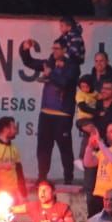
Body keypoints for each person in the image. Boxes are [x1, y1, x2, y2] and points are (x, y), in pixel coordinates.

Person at [19, 38, 80, 184]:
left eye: (57, 48)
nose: (54, 51)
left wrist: (50, 74)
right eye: (53, 48)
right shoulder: (49, 62)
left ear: (65, 50)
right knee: (43, 148)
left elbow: (64, 82)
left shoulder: (72, 66)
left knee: (65, 148)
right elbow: (29, 62)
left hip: (63, 113)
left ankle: (68, 179)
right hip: (46, 113)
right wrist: (25, 49)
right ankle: (42, 178)